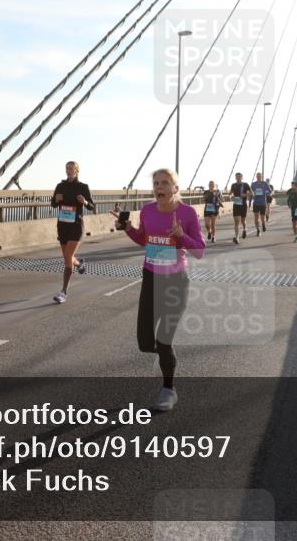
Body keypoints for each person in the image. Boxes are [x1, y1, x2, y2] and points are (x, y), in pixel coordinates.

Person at [111, 169, 204, 411]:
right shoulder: (148, 210)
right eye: (155, 183)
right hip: (151, 278)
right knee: (144, 342)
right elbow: (145, 240)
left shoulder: (188, 213)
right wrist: (128, 228)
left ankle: (168, 389)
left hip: (176, 281)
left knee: (163, 339)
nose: (159, 187)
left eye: (165, 183)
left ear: (175, 188)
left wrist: (182, 236)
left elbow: (200, 251)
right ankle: (167, 355)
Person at [50, 161, 95, 304]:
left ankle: (63, 292)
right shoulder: (60, 186)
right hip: (62, 226)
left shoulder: (83, 187)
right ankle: (79, 263)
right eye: (67, 168)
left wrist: (85, 202)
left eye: (72, 169)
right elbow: (53, 204)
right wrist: (55, 200)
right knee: (67, 257)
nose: (69, 171)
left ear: (77, 171)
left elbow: (92, 206)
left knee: (68, 256)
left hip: (76, 226)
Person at [229, 172, 251, 244]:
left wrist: (245, 194)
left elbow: (252, 193)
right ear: (235, 178)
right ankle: (237, 237)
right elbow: (231, 193)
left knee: (243, 221)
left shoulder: (245, 185)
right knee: (236, 222)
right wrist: (231, 196)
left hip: (243, 205)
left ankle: (244, 229)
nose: (238, 178)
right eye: (237, 177)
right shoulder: (233, 185)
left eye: (239, 177)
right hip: (236, 205)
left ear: (242, 178)